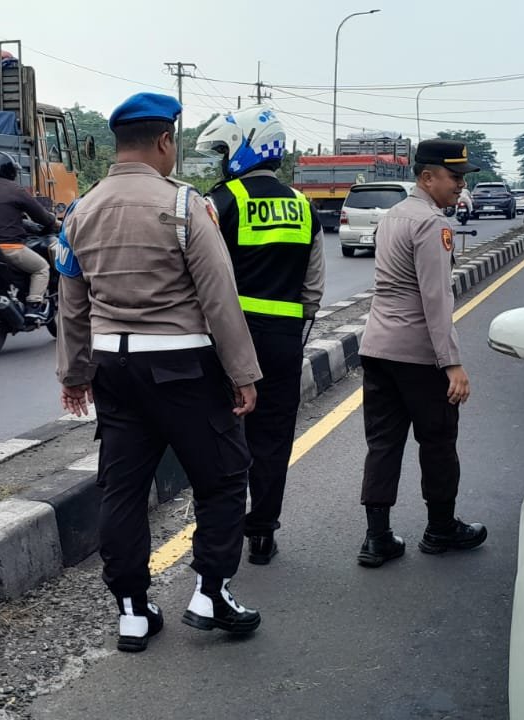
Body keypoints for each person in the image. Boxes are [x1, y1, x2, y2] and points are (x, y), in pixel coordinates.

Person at [55, 92, 264, 653]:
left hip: (113, 369)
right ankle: (211, 593)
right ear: (165, 141)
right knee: (223, 477)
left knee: (122, 490)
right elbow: (219, 296)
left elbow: (71, 301)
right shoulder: (184, 204)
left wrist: (74, 373)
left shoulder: (80, 210)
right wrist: (243, 372)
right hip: (183, 367)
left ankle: (131, 610)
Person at [196, 107, 324, 565]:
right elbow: (313, 289)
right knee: (273, 438)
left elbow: (200, 274)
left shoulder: (220, 201)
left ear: (243, 147)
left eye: (223, 150)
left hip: (226, 341)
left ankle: (222, 532)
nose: (220, 160)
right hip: (283, 341)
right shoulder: (303, 206)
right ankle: (263, 533)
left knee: (222, 434)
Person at [356, 138, 487, 568]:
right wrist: (452, 363)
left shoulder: (392, 216)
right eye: (454, 177)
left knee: (383, 443)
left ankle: (377, 538)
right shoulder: (432, 224)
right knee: (438, 440)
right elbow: (436, 298)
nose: (460, 185)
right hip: (417, 353)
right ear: (427, 177)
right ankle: (440, 528)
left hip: (377, 347)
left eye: (463, 178)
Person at [0, 150, 60, 321]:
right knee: (41, 268)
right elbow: (41, 216)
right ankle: (34, 306)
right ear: (9, 170)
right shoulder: (15, 190)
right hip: (9, 248)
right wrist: (54, 223)